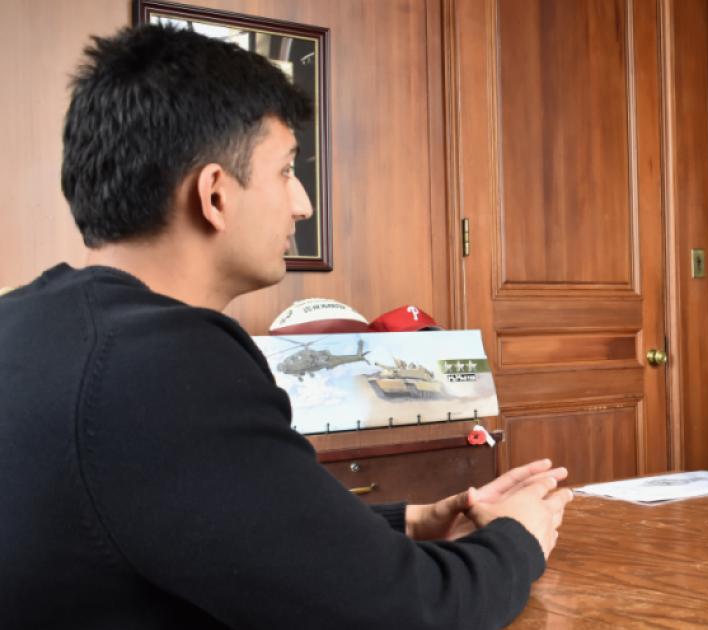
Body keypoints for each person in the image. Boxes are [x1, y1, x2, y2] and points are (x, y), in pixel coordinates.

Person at [0, 24, 571, 628]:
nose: (302, 203)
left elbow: (184, 521)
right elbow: (404, 612)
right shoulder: (165, 363)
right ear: (214, 195)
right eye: (285, 171)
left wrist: (407, 522)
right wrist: (517, 537)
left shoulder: (27, 326)